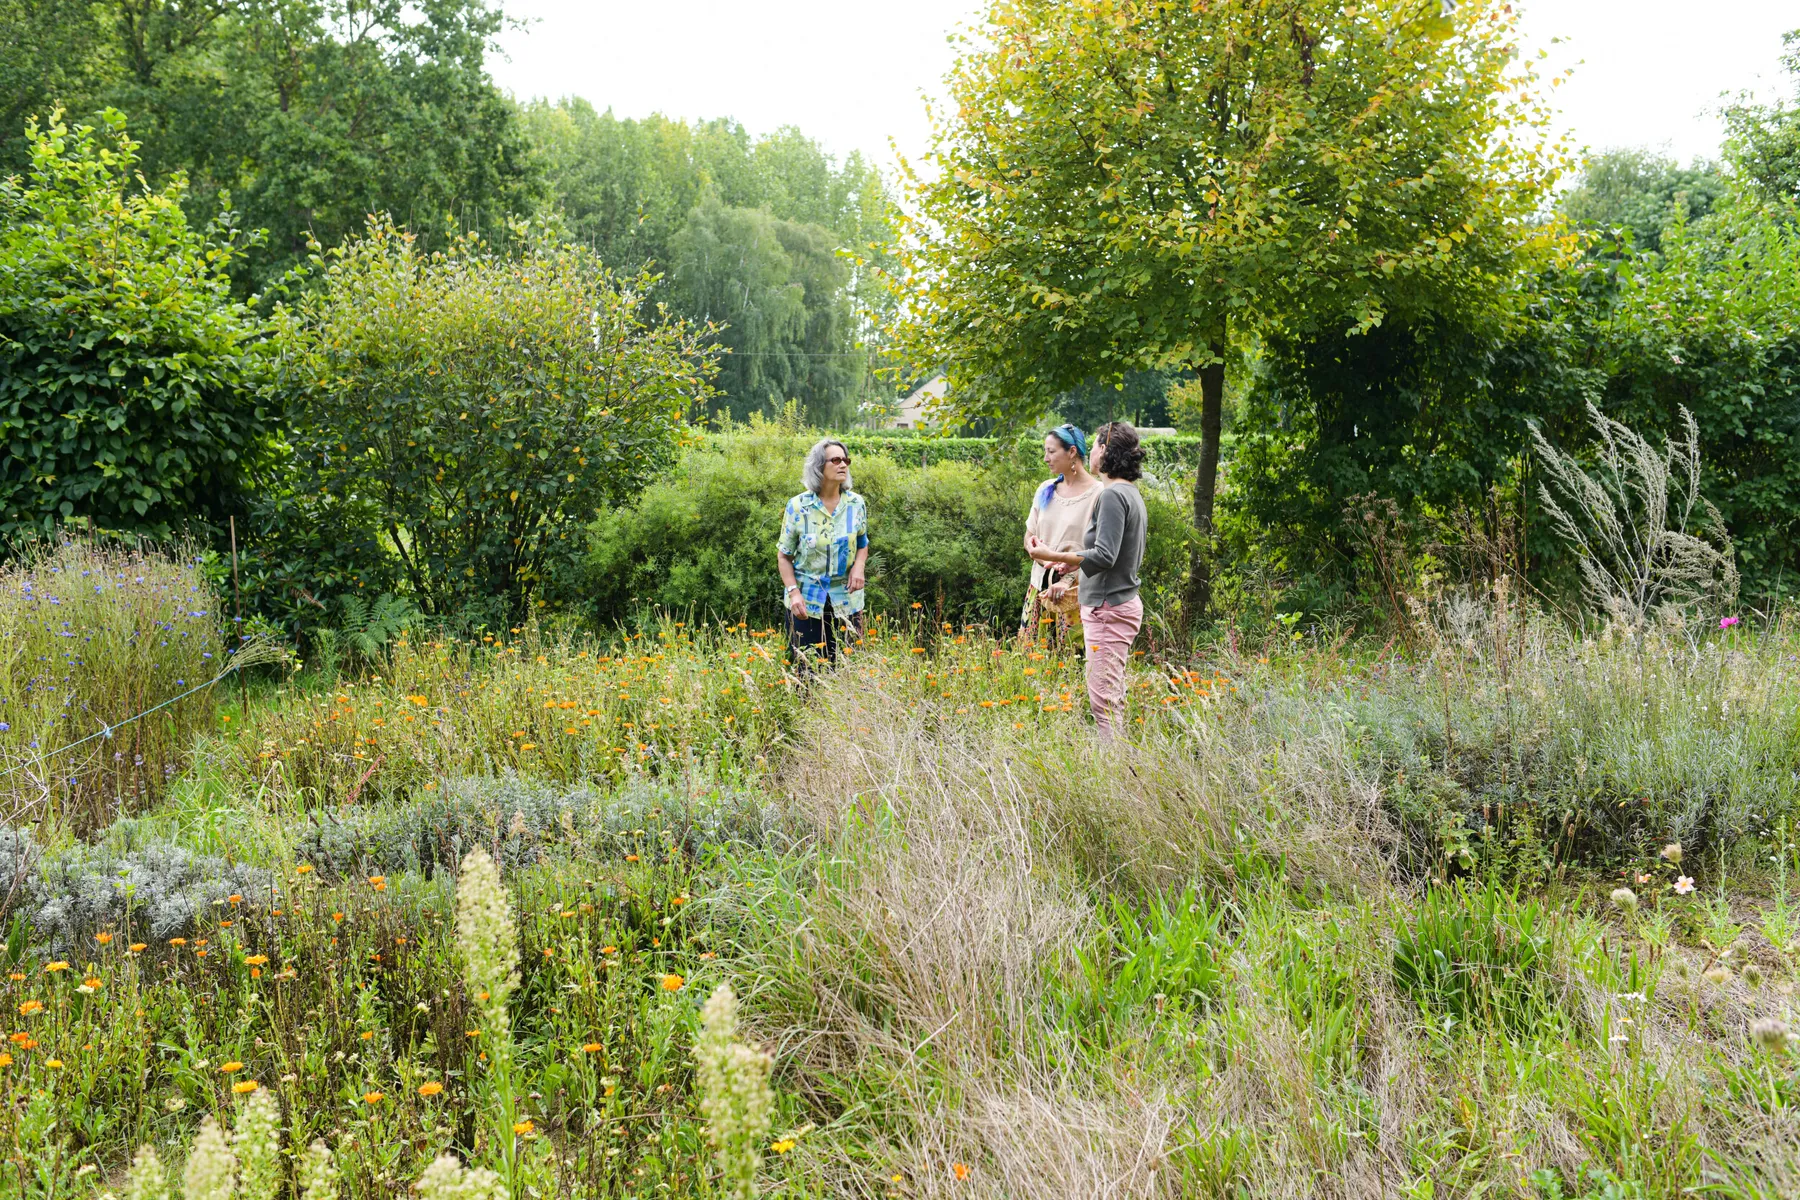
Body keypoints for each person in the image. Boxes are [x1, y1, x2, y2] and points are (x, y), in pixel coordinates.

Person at [1027, 421, 1147, 739]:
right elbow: (1110, 554)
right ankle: (1119, 769)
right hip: (1118, 605)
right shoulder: (1128, 492)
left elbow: (1105, 556)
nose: (1090, 451)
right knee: (1111, 697)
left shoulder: (1110, 496)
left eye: (1094, 445)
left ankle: (1113, 777)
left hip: (1108, 608)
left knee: (1103, 705)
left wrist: (1058, 555)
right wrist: (1072, 565)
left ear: (1104, 452)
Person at [777, 438, 868, 669]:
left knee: (849, 668)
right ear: (819, 466)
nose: (843, 465)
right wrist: (793, 592)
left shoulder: (856, 504)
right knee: (806, 669)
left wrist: (858, 567)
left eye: (845, 460)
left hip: (847, 600)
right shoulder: (797, 507)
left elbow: (862, 542)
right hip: (806, 601)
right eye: (836, 460)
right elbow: (784, 556)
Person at [1019, 423, 1103, 644]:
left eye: (1051, 451)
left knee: (1073, 665)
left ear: (1072, 452)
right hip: (1039, 590)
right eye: (1045, 451)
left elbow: (1100, 552)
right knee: (1032, 664)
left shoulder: (1099, 495)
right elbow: (1029, 535)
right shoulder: (1046, 488)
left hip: (1075, 594)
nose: (1046, 458)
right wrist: (1031, 545)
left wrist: (1067, 580)